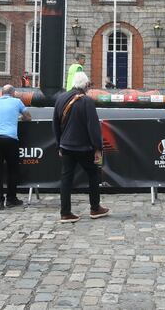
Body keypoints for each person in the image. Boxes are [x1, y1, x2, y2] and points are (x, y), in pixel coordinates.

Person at [53, 72, 110, 223]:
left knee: (66, 179)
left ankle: (65, 212)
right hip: (84, 147)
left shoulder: (60, 99)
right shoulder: (87, 101)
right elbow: (93, 127)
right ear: (85, 85)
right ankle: (95, 208)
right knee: (93, 175)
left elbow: (55, 124)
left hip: (65, 146)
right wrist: (98, 148)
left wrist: (59, 144)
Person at [0, 85, 31, 210]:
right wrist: (18, 117)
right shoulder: (17, 102)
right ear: (13, 93)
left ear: (1, 93)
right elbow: (28, 117)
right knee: (12, 169)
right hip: (10, 138)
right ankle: (11, 199)